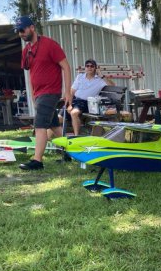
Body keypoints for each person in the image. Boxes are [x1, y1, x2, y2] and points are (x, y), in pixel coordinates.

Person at [14, 16, 72, 170]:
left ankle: (37, 161)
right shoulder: (26, 51)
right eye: (18, 31)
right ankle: (70, 152)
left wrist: (67, 91)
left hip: (50, 92)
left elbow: (66, 66)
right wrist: (33, 95)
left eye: (22, 30)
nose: (20, 33)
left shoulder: (50, 44)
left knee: (39, 126)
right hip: (38, 94)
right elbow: (32, 74)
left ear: (32, 28)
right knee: (54, 126)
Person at [63, 59, 107, 135]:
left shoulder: (99, 80)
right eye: (87, 66)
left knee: (74, 113)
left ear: (95, 68)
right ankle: (46, 139)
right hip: (75, 101)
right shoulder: (80, 77)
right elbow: (72, 91)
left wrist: (102, 75)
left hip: (86, 103)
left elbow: (112, 85)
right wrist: (69, 104)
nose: (89, 68)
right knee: (58, 118)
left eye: (92, 66)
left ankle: (76, 136)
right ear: (85, 67)